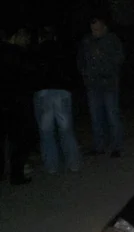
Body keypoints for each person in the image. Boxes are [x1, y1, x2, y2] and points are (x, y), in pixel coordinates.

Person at [32, 26, 81, 174]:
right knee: (66, 129)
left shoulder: (36, 52)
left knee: (46, 132)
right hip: (62, 90)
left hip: (43, 91)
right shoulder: (63, 50)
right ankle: (73, 163)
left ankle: (51, 166)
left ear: (40, 38)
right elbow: (72, 68)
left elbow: (31, 73)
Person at [77, 16, 124, 158]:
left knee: (112, 115)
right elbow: (80, 60)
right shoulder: (87, 41)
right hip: (92, 85)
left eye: (97, 29)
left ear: (104, 27)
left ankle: (116, 146)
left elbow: (120, 59)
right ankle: (99, 146)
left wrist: (104, 60)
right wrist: (85, 73)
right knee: (96, 117)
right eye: (92, 29)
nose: (95, 32)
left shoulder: (112, 40)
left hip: (109, 84)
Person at [0, 27, 36, 185]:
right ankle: (16, 174)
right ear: (13, 36)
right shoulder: (17, 53)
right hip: (17, 102)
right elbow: (29, 75)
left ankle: (1, 173)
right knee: (20, 140)